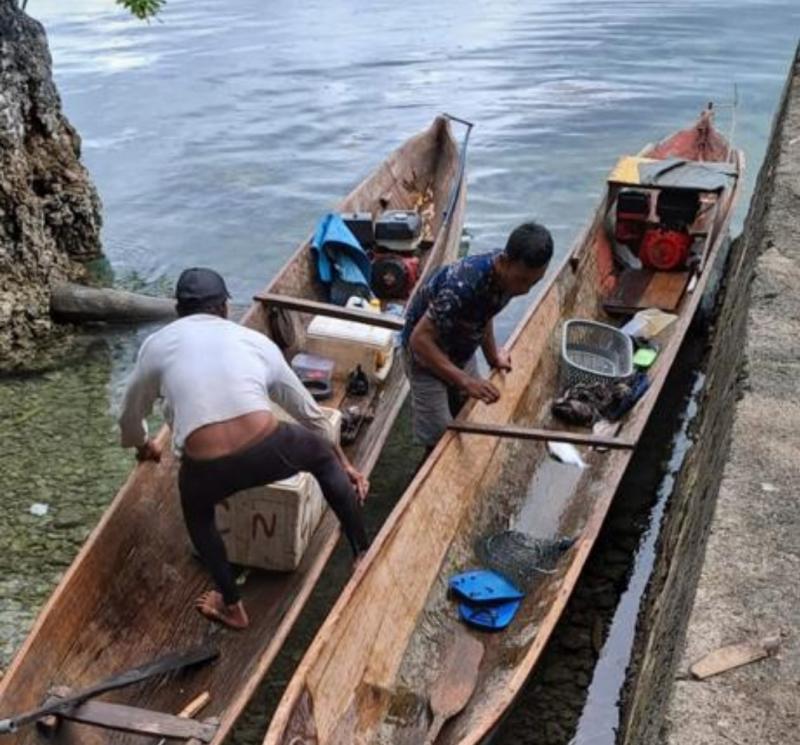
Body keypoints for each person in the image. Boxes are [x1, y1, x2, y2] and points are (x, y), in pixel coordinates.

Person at [118, 267, 370, 630]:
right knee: (319, 455)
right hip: (267, 449)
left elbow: (129, 415)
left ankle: (232, 604)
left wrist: (144, 446)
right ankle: (361, 552)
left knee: (198, 517)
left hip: (207, 470)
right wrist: (343, 464)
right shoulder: (255, 341)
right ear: (224, 308)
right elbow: (309, 413)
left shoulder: (155, 346)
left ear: (178, 311)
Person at [401, 221, 553, 448]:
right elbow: (418, 340)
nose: (525, 290)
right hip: (425, 355)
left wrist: (493, 357)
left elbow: (485, 313)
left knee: (466, 407)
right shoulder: (462, 287)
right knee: (439, 435)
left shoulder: (508, 278)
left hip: (461, 344)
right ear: (504, 261)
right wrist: (465, 380)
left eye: (535, 282)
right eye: (522, 280)